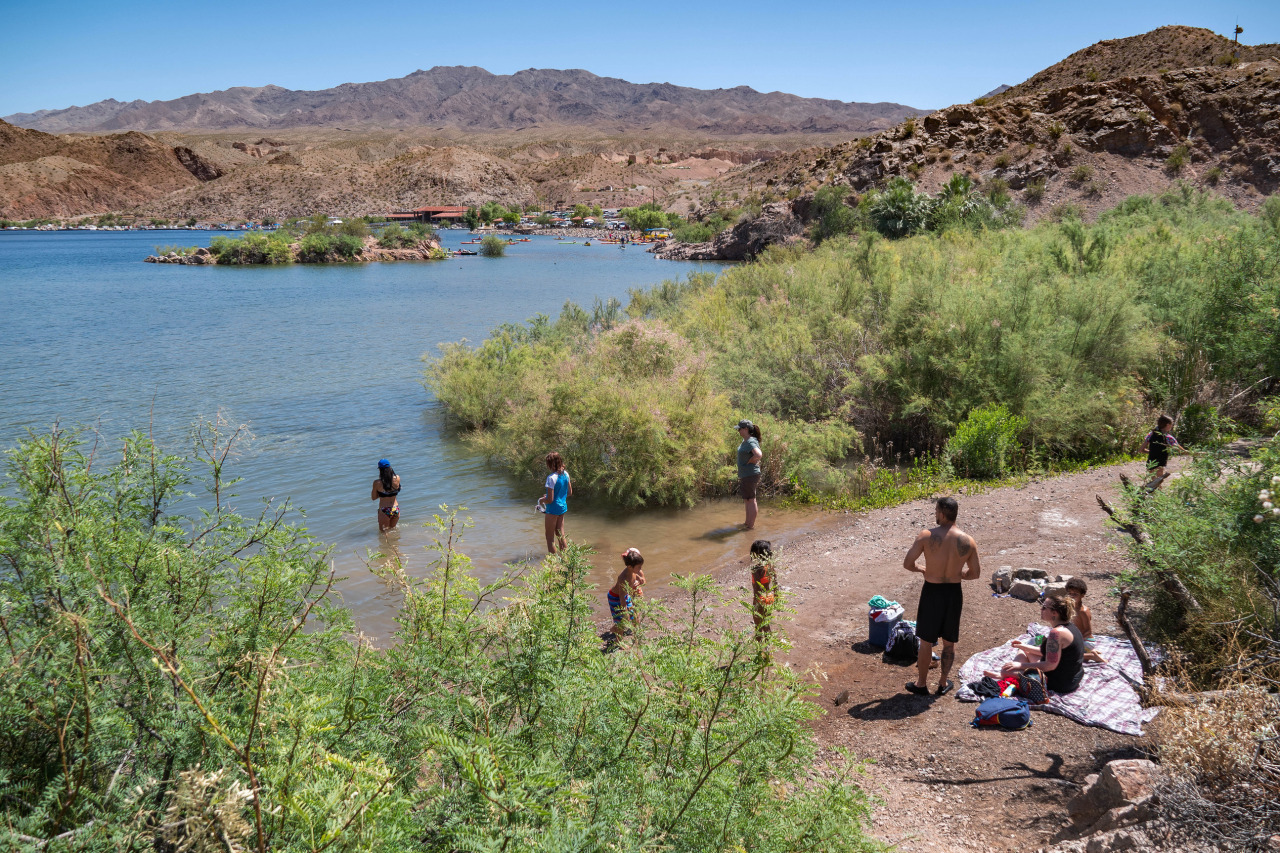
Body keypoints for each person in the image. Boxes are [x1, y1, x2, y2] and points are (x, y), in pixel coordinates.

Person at [902, 496, 981, 697]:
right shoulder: (968, 541)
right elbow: (975, 573)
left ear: (942, 513)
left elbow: (908, 563)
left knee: (926, 641)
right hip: (953, 593)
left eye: (936, 511)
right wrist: (959, 574)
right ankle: (943, 682)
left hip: (932, 591)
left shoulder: (926, 536)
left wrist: (922, 569)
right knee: (949, 642)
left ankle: (921, 684)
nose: (935, 514)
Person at [993, 595, 1085, 696]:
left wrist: (1020, 665)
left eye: (1044, 607)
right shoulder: (1069, 627)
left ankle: (1010, 676)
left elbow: (1049, 665)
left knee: (1005, 671)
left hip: (1061, 683)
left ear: (1054, 613)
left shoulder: (1056, 633)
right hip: (1074, 677)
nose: (1041, 609)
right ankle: (1015, 674)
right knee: (1023, 651)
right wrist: (1023, 646)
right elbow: (1049, 653)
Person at [536, 451, 572, 553]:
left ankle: (554, 564)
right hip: (562, 508)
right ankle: (567, 559)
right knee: (560, 535)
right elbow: (569, 492)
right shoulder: (566, 474)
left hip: (552, 510)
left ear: (550, 464)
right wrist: (551, 496)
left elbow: (550, 500)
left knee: (549, 537)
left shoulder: (551, 478)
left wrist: (542, 500)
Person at [1065, 577, 1107, 663]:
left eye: (1075, 594)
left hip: (1086, 641)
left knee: (1066, 656)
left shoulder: (1083, 611)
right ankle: (1089, 652)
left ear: (1082, 595)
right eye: (1070, 593)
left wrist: (1076, 641)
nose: (1072, 596)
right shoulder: (1070, 608)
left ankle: (1091, 656)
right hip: (1078, 639)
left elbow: (1088, 631)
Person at [1140, 415, 1183, 490]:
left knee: (1152, 484)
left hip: (1150, 463)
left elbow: (1141, 450)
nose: (1171, 426)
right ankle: (1157, 500)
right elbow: (1181, 451)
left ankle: (1151, 499)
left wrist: (1153, 452)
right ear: (1167, 425)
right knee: (1157, 485)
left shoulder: (1151, 434)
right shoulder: (1169, 438)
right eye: (1171, 424)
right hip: (1159, 464)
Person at [608, 547, 646, 634]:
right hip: (615, 597)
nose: (640, 569)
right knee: (622, 620)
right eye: (639, 567)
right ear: (630, 566)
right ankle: (619, 642)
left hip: (625, 595)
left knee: (632, 614)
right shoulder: (623, 578)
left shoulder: (632, 571)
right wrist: (625, 612)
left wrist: (640, 579)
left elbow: (636, 576)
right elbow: (621, 597)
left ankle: (632, 630)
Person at [736, 419, 763, 530]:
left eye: (739, 429)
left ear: (746, 429)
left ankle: (750, 526)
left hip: (750, 474)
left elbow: (758, 454)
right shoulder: (746, 441)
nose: (738, 431)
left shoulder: (750, 441)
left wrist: (751, 461)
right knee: (748, 499)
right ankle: (747, 523)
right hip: (747, 474)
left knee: (751, 500)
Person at [749, 539, 776, 638]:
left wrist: (756, 603)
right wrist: (776, 596)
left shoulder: (756, 570)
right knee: (766, 624)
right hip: (768, 598)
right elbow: (775, 583)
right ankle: (768, 648)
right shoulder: (770, 566)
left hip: (759, 600)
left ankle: (759, 649)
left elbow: (756, 587)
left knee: (758, 626)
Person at [370, 459, 401, 532]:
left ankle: (388, 544)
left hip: (385, 510)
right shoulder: (397, 478)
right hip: (395, 509)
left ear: (380, 469)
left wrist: (382, 494)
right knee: (393, 531)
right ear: (390, 468)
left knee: (384, 534)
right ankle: (395, 543)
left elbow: (373, 498)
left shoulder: (377, 483)